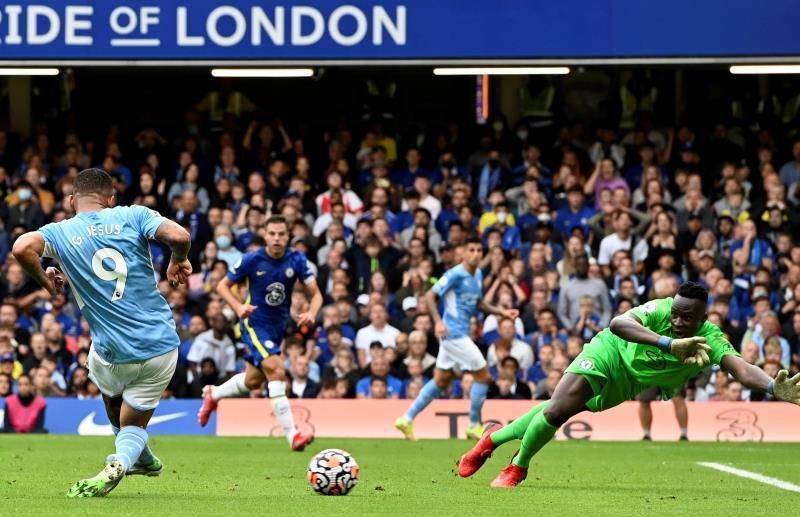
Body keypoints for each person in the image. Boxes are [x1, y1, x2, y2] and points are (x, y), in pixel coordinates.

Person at [458, 281, 800, 488]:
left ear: (703, 317)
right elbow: (619, 322)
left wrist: (772, 386)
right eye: (676, 314)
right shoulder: (660, 310)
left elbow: (739, 368)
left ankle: (493, 438)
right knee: (558, 409)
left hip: (629, 382)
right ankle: (518, 467)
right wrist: (667, 343)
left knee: (557, 407)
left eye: (687, 318)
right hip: (609, 351)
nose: (678, 322)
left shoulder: (710, 338)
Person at [12, 168, 192, 497]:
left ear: (70, 200)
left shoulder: (60, 232)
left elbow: (22, 247)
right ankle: (129, 457)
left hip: (110, 352)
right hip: (160, 345)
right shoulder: (133, 215)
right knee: (133, 423)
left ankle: (130, 457)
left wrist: (45, 282)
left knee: (107, 387)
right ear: (110, 199)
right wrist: (177, 260)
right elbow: (179, 236)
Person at [198, 215, 323, 452]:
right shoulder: (252, 260)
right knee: (277, 370)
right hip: (253, 323)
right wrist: (238, 307)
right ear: (265, 235)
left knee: (253, 380)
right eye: (272, 233)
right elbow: (222, 286)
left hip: (278, 327)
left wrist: (312, 312)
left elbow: (316, 294)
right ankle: (292, 435)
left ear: (288, 235)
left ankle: (214, 394)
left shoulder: (297, 260)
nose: (276, 238)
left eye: (281, 234)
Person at [394, 238, 518, 441]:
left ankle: (406, 419)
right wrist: (437, 322)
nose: (476, 253)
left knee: (441, 380)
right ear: (463, 254)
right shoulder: (454, 274)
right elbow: (429, 296)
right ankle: (473, 425)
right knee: (484, 376)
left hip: (458, 334)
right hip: (452, 333)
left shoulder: (477, 274)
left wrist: (502, 313)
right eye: (471, 249)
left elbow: (478, 304)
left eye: (479, 250)